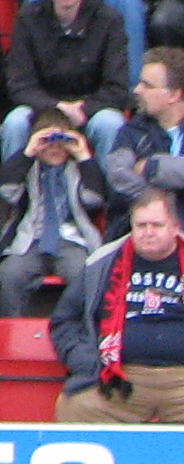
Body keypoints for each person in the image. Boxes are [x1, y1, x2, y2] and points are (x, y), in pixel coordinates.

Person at [46, 184, 184, 422]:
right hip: (119, 375)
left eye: (157, 225)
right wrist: (88, 363)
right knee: (75, 407)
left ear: (176, 227)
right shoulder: (101, 265)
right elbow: (64, 321)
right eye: (141, 226)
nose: (148, 232)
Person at [4, 0, 135, 166]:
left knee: (111, 123)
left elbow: (117, 88)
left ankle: (110, 195)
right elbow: (19, 84)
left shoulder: (109, 20)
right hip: (42, 106)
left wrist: (83, 110)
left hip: (90, 108)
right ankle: (10, 193)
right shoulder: (27, 18)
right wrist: (56, 107)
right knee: (15, 122)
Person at [103, 47, 184, 255]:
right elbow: (118, 178)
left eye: (147, 85)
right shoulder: (131, 130)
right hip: (143, 240)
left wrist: (150, 167)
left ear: (174, 94)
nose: (137, 90)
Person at [0, 112, 111, 315]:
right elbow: (8, 191)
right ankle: (10, 331)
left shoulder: (77, 169)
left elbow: (94, 199)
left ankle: (80, 329)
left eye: (61, 142)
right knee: (9, 274)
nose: (54, 148)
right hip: (32, 240)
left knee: (83, 274)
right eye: (47, 142)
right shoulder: (28, 168)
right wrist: (28, 153)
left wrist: (84, 156)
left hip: (70, 239)